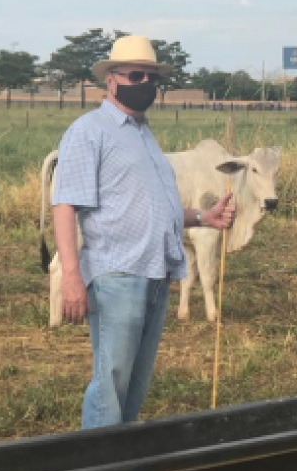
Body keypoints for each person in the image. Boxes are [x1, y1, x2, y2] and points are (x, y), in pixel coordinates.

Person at [51, 35, 235, 429]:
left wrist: (204, 218)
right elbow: (65, 205)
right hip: (117, 273)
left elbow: (154, 207)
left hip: (155, 274)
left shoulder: (144, 135)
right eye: (136, 75)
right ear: (111, 80)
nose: (146, 84)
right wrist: (71, 276)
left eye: (152, 77)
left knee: (134, 383)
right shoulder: (90, 131)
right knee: (111, 381)